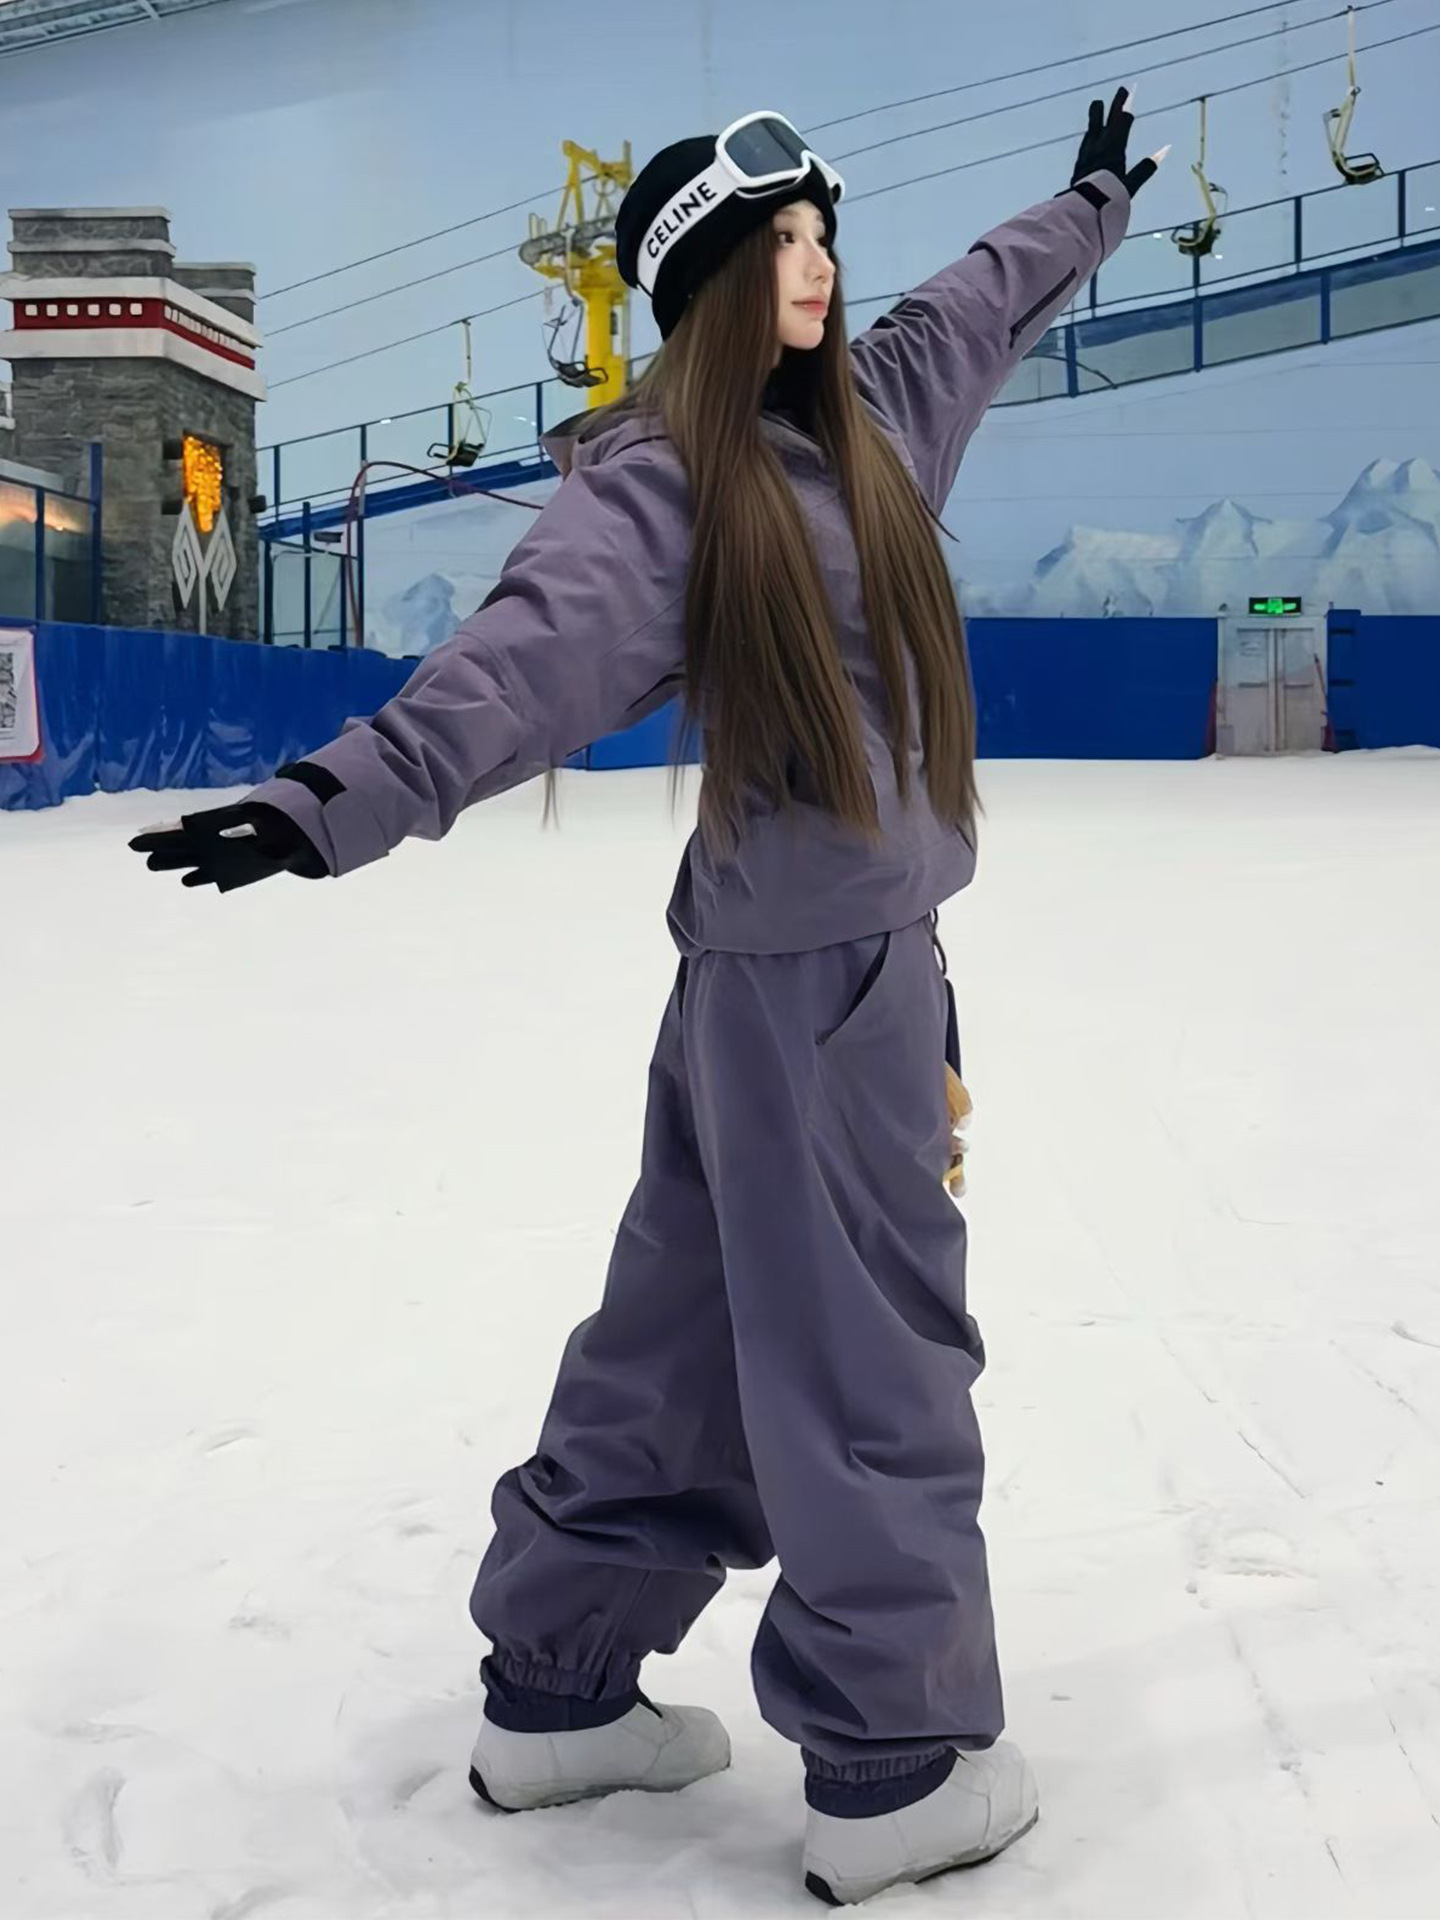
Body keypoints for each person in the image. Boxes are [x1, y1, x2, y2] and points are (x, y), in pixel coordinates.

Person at [132, 93, 1164, 1907]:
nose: (825, 271)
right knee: (867, 1363)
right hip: (823, 990)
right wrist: (334, 798)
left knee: (680, 1348)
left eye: (828, 237)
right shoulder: (672, 488)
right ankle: (895, 1761)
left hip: (784, 985)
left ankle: (556, 1688)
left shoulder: (879, 416)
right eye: (787, 248)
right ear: (714, 284)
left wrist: (1086, 209)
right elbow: (523, 659)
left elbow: (978, 301)